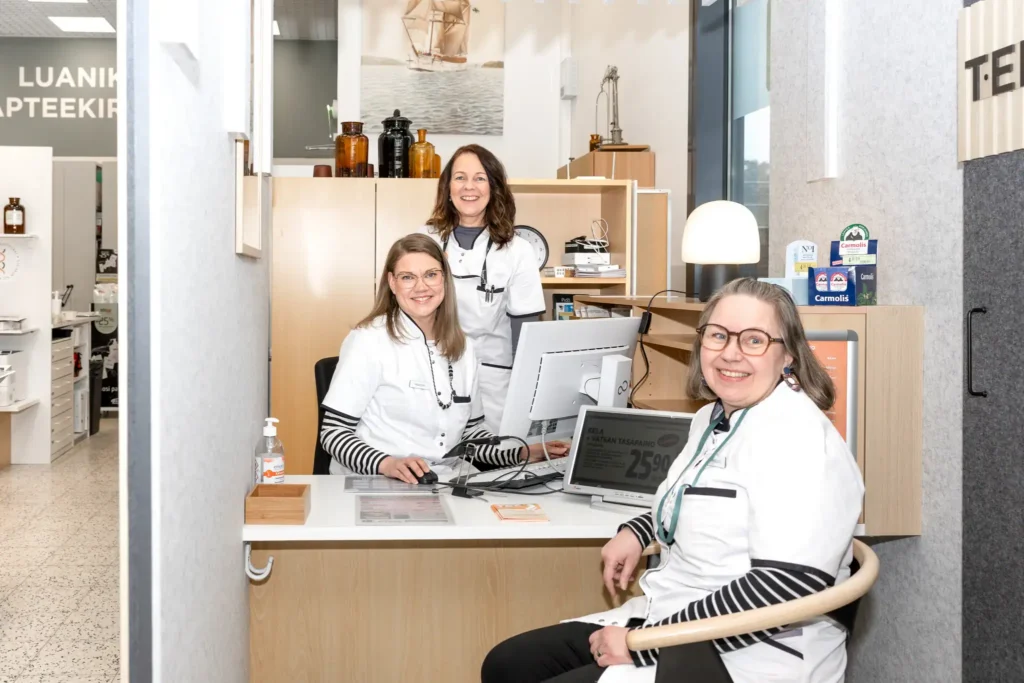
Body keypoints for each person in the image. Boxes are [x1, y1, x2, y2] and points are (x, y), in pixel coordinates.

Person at [481, 278, 865, 683]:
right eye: (718, 335)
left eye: (754, 340)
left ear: (788, 355)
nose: (730, 353)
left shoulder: (800, 440)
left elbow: (786, 586)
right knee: (508, 665)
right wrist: (637, 530)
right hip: (679, 614)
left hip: (751, 652)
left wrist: (642, 644)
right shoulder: (712, 418)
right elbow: (691, 497)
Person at [319, 234, 566, 484]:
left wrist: (521, 453)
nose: (421, 287)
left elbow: (469, 436)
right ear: (392, 283)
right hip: (375, 480)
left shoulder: (463, 347)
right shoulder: (369, 339)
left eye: (431, 275)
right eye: (407, 277)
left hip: (444, 480)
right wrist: (388, 464)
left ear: (444, 279)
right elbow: (334, 433)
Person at [423, 144, 545, 433]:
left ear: (494, 187)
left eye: (480, 178)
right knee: (434, 453)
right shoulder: (424, 241)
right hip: (432, 374)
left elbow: (526, 333)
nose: (469, 187)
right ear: (447, 187)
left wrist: (527, 392)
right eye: (460, 177)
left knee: (497, 453)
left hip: (494, 381)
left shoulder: (518, 250)